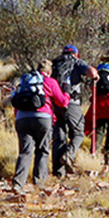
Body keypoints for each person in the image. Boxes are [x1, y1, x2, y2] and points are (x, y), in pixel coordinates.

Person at [12, 60, 69, 192]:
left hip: (22, 118)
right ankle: (40, 182)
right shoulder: (50, 82)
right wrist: (67, 91)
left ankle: (18, 183)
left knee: (25, 151)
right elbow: (62, 102)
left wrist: (18, 118)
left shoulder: (25, 81)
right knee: (42, 150)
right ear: (49, 71)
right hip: (43, 118)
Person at [50, 45, 99, 176]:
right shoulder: (76, 62)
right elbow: (92, 72)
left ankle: (58, 172)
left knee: (59, 137)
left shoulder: (55, 63)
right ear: (76, 54)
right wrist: (95, 76)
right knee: (79, 133)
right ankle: (69, 155)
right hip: (71, 103)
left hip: (55, 104)